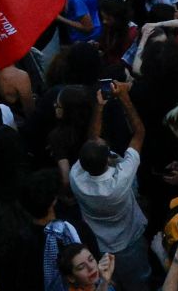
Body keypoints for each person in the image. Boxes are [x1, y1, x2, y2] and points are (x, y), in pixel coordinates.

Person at [69, 81, 149, 291]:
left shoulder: (76, 176)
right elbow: (139, 133)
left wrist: (100, 106)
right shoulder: (120, 180)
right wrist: (124, 98)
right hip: (130, 242)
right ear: (108, 160)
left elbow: (92, 141)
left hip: (100, 246)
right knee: (139, 283)